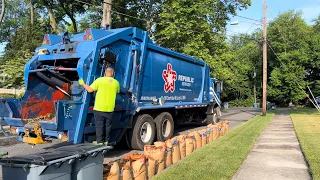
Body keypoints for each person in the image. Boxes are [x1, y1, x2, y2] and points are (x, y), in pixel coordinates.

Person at [79, 67, 120, 145]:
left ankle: (100, 142)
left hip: (99, 108)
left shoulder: (99, 80)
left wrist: (82, 83)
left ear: (105, 73)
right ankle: (106, 141)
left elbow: (90, 90)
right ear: (112, 73)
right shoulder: (116, 83)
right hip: (110, 109)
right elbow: (117, 91)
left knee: (99, 126)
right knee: (108, 126)